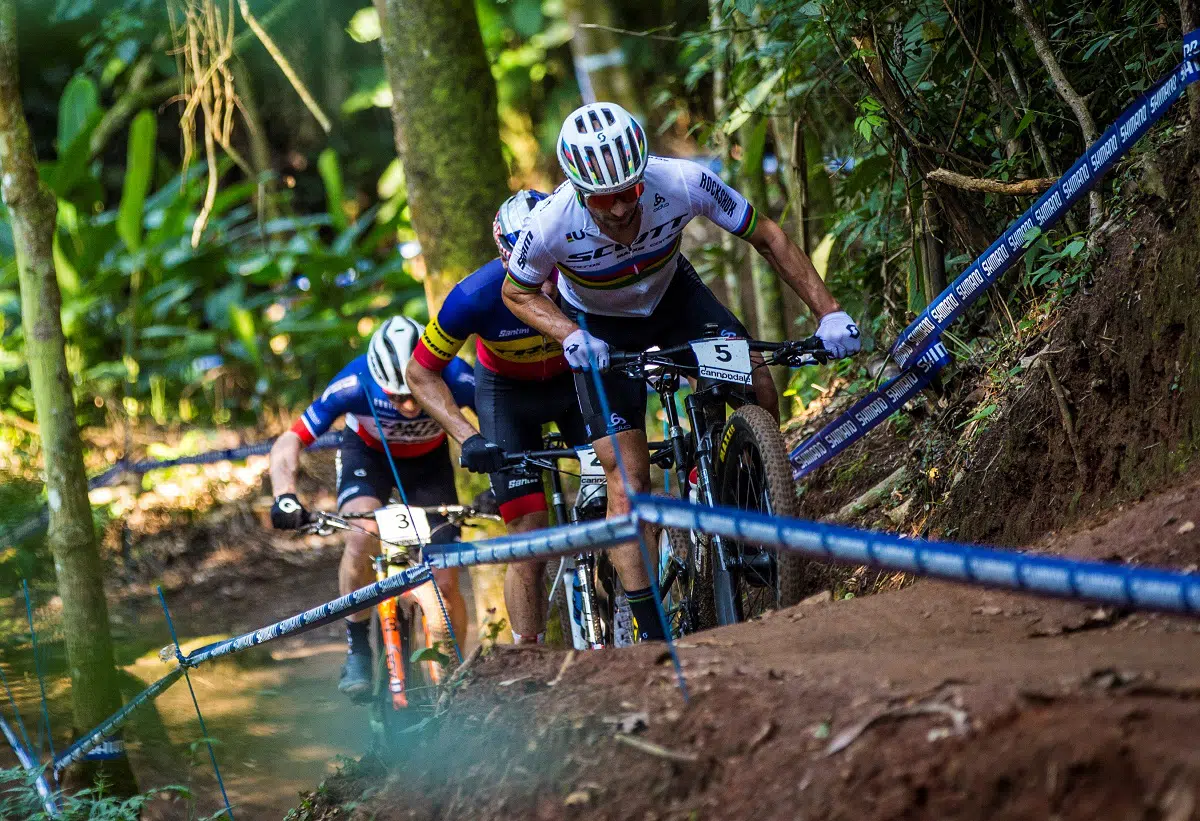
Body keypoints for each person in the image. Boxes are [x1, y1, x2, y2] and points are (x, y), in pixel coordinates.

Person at [500, 101, 861, 641]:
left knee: (759, 386)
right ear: (577, 189)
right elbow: (516, 291)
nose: (621, 208)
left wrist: (828, 312)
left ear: (644, 173)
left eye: (630, 191)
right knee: (629, 480)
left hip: (675, 300)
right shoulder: (551, 222)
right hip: (601, 326)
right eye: (605, 198)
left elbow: (769, 236)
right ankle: (652, 633)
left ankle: (735, 480)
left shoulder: (683, 180)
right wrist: (569, 334)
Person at [406, 190, 588, 645]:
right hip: (508, 397)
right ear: (506, 255)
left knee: (620, 493)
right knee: (529, 536)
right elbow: (420, 372)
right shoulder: (474, 296)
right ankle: (528, 656)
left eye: (550, 259)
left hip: (575, 387)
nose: (545, 279)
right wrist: (468, 438)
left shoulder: (586, 270)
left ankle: (633, 621)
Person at [268, 316, 475, 698]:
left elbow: (496, 424)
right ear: (379, 382)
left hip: (429, 468)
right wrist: (284, 495)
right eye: (397, 397)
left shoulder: (455, 374)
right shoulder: (352, 384)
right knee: (362, 539)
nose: (411, 406)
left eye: (416, 392)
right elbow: (289, 442)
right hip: (368, 459)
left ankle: (455, 677)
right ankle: (358, 647)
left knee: (446, 576)